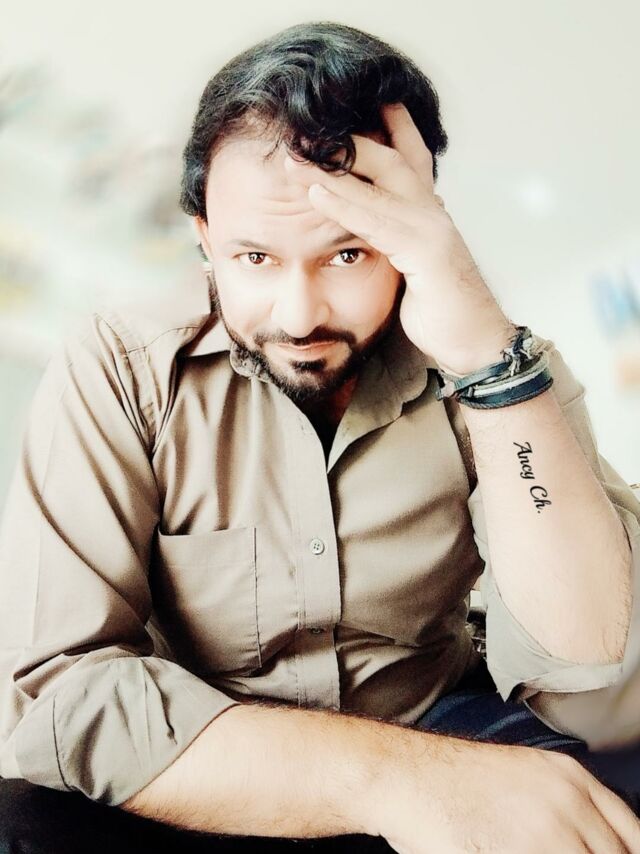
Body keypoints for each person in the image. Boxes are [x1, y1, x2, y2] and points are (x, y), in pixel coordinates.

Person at [1, 19, 639, 854]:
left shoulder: (498, 366)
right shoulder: (120, 366)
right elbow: (63, 696)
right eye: (255, 259)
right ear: (204, 239)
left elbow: (588, 668)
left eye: (347, 255)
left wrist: (490, 364)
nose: (299, 315)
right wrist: (399, 783)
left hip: (442, 723)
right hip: (203, 765)